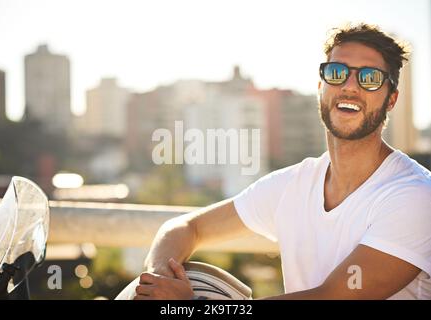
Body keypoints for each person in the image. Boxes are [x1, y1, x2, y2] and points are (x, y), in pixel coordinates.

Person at [126, 23, 431, 300]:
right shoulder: (294, 185)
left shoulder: (413, 196)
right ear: (320, 87)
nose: (350, 86)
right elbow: (185, 226)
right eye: (337, 72)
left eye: (370, 78)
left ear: (391, 99)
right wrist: (158, 284)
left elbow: (331, 297)